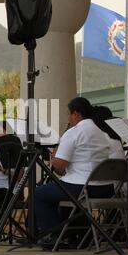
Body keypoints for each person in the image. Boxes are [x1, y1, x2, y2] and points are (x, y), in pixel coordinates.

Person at [34, 97, 111, 245]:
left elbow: (59, 168)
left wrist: (54, 154)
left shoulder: (74, 132)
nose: (68, 118)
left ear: (76, 114)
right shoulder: (102, 134)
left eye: (69, 114)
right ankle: (82, 235)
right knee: (60, 193)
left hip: (82, 186)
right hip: (105, 187)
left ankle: (54, 236)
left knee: (39, 193)